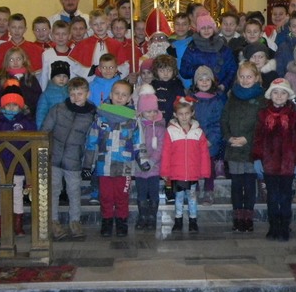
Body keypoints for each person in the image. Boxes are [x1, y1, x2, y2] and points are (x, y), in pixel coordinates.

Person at [84, 80, 149, 237]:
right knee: (106, 196)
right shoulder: (100, 117)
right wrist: (87, 164)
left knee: (122, 196)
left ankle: (121, 222)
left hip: (124, 165)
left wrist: (143, 160)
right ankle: (106, 221)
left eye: (124, 95)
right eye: (117, 93)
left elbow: (139, 142)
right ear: (111, 95)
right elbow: (92, 141)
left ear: (129, 98)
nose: (120, 97)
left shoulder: (133, 119)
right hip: (104, 164)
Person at [41, 77, 97, 240]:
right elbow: (45, 131)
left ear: (87, 94)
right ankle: (53, 221)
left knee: (74, 191)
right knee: (54, 190)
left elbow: (92, 140)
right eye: (72, 94)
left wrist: (88, 163)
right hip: (54, 157)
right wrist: (44, 154)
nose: (76, 97)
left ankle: (75, 221)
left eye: (80, 94)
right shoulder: (58, 109)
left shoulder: (92, 114)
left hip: (74, 159)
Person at [252, 78, 296, 241]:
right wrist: (257, 158)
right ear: (270, 94)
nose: (279, 96)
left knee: (286, 197)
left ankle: (285, 226)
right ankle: (274, 226)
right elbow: (258, 138)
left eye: (283, 93)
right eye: (276, 92)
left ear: (288, 96)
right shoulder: (263, 115)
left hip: (288, 164)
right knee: (272, 197)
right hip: (269, 163)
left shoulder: (294, 116)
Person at [0, 79, 36, 241]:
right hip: (0, 165)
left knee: (17, 195)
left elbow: (32, 141)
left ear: (21, 106)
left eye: (15, 105)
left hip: (19, 166)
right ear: (2, 106)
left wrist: (29, 160)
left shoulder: (26, 123)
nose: (11, 108)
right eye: (8, 105)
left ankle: (17, 224)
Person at [221, 61, 266, 233]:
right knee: (236, 185)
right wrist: (228, 137)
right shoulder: (232, 96)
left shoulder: (262, 98)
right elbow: (224, 119)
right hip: (234, 147)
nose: (245, 80)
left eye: (249, 77)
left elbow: (262, 123)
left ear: (256, 78)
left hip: (251, 148)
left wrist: (247, 139)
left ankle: (248, 218)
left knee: (249, 184)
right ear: (237, 78)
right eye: (242, 76)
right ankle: (238, 217)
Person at [161, 96, 211, 233]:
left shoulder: (198, 132)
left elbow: (204, 154)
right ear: (175, 115)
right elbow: (166, 152)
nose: (184, 117)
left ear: (192, 113)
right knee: (178, 197)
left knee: (192, 197)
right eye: (181, 114)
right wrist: (165, 172)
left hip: (193, 172)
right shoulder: (170, 131)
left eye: (187, 113)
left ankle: (193, 220)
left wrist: (204, 171)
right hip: (176, 173)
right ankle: (178, 220)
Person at [190, 66, 227, 206]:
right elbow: (186, 119)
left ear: (212, 81)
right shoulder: (190, 100)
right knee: (193, 166)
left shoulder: (216, 101)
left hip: (209, 142)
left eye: (207, 79)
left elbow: (218, 123)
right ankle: (193, 190)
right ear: (196, 82)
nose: (204, 82)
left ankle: (208, 191)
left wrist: (211, 139)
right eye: (201, 79)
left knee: (208, 168)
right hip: (193, 141)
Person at [134, 84, 166, 231]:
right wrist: (140, 161)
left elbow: (160, 147)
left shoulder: (159, 127)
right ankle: (142, 216)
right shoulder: (136, 126)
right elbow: (134, 145)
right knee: (141, 193)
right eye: (148, 111)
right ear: (141, 112)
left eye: (154, 111)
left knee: (153, 193)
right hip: (139, 167)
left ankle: (152, 217)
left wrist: (152, 161)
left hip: (154, 168)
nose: (152, 114)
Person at [180, 14, 238, 92]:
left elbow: (232, 69)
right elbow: (184, 71)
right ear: (199, 30)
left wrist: (224, 85)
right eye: (203, 28)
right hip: (199, 91)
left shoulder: (223, 47)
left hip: (219, 90)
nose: (206, 30)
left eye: (209, 27)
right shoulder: (192, 48)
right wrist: (197, 69)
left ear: (213, 28)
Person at [70, 9, 122, 81]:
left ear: (107, 23)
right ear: (90, 25)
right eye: (95, 24)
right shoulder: (83, 44)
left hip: (112, 81)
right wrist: (91, 72)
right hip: (90, 81)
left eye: (102, 23)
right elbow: (76, 67)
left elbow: (123, 66)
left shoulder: (116, 44)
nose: (99, 26)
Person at [0, 46, 42, 119]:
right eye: (11, 60)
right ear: (7, 62)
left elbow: (38, 99)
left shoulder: (30, 78)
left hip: (27, 118)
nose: (15, 62)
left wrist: (30, 112)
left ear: (23, 60)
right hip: (4, 118)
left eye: (18, 59)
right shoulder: (0, 78)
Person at [39, 20, 76, 91]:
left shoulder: (74, 54)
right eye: (57, 34)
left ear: (69, 36)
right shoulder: (47, 54)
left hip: (70, 92)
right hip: (52, 91)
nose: (60, 37)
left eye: (64, 34)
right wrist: (44, 92)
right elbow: (44, 76)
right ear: (52, 36)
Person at [151, 54, 185, 124]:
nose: (166, 74)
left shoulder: (177, 84)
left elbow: (182, 101)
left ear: (173, 70)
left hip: (173, 119)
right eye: (162, 71)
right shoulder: (152, 85)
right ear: (156, 71)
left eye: (169, 70)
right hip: (156, 120)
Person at [36, 60, 70, 129]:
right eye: (58, 76)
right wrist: (41, 131)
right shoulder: (46, 95)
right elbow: (41, 114)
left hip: (67, 128)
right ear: (52, 77)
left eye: (65, 76)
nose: (61, 79)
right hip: (51, 128)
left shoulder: (71, 92)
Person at [167, 12, 194, 89]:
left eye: (184, 24)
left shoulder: (193, 42)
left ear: (189, 27)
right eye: (177, 24)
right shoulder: (171, 46)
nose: (180, 27)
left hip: (192, 81)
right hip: (177, 83)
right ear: (173, 26)